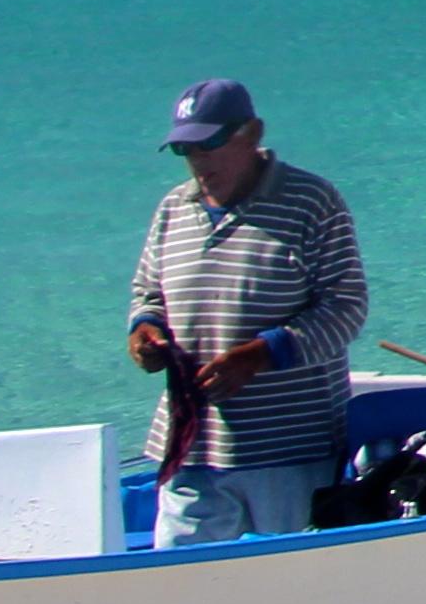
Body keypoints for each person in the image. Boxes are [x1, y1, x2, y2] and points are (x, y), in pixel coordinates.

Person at [124, 78, 369, 542]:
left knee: (296, 586)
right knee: (184, 587)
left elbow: (346, 306)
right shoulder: (173, 208)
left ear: (252, 133)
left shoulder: (312, 202)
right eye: (185, 150)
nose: (198, 160)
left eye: (209, 144)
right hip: (191, 447)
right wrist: (145, 331)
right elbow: (148, 292)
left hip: (292, 449)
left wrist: (260, 355)